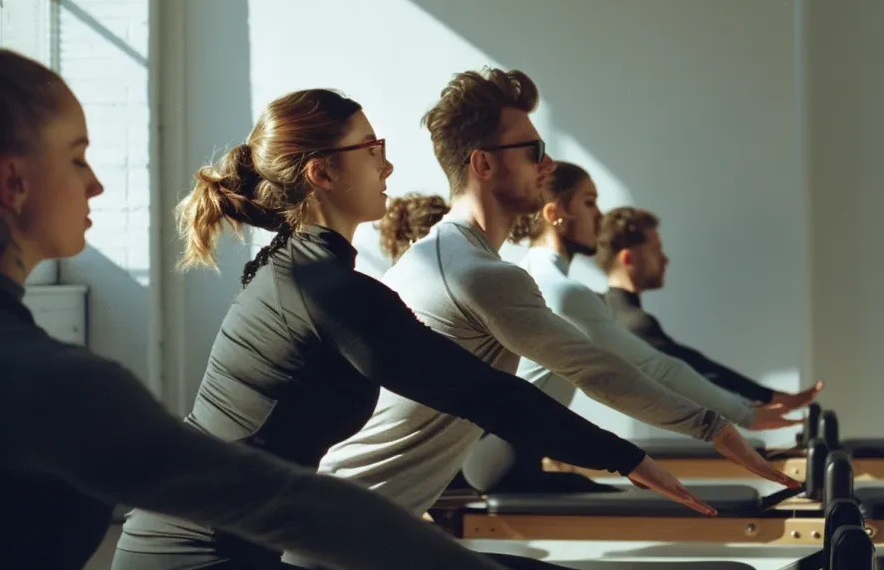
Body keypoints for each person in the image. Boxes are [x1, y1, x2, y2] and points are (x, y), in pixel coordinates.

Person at [111, 87, 708, 570]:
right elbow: (479, 392)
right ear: (321, 173)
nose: (388, 163)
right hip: (199, 553)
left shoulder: (300, 270)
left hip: (241, 540)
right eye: (371, 149)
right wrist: (624, 457)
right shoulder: (326, 290)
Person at [0, 48, 512, 570]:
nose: (97, 184)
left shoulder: (294, 274)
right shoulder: (55, 381)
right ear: (12, 181)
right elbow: (285, 500)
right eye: (76, 157)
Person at [301, 67, 799, 548]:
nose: (548, 166)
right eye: (534, 150)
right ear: (484, 164)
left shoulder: (431, 257)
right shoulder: (477, 274)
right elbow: (596, 369)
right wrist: (714, 427)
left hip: (357, 522)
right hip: (348, 531)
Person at [596, 206, 823, 409]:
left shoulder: (608, 313)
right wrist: (766, 400)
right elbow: (693, 370)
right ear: (628, 258)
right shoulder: (634, 323)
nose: (665, 260)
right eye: (656, 250)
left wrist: (764, 399)